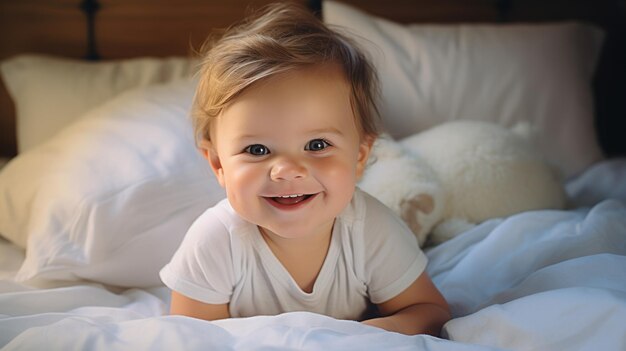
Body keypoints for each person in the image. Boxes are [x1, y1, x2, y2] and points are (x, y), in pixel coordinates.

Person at [160, 2, 451, 336]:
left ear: (359, 157)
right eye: (257, 150)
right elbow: (192, 337)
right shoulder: (215, 242)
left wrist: (352, 339)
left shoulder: (371, 229)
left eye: (317, 145)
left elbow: (429, 311)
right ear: (218, 164)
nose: (286, 170)